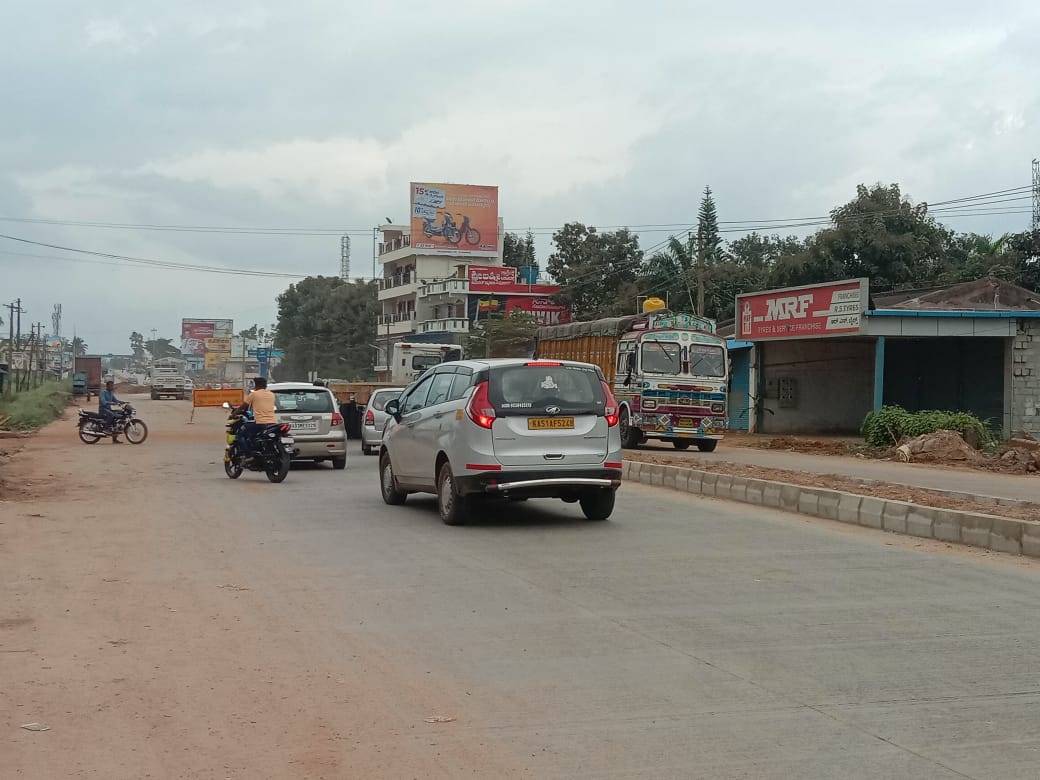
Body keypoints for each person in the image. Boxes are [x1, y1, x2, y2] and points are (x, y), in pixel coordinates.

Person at [237, 376, 277, 458]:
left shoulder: (254, 394)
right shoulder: (272, 394)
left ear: (257, 385)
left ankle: (247, 454)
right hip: (272, 423)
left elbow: (244, 406)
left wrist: (234, 413)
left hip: (260, 423)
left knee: (240, 433)